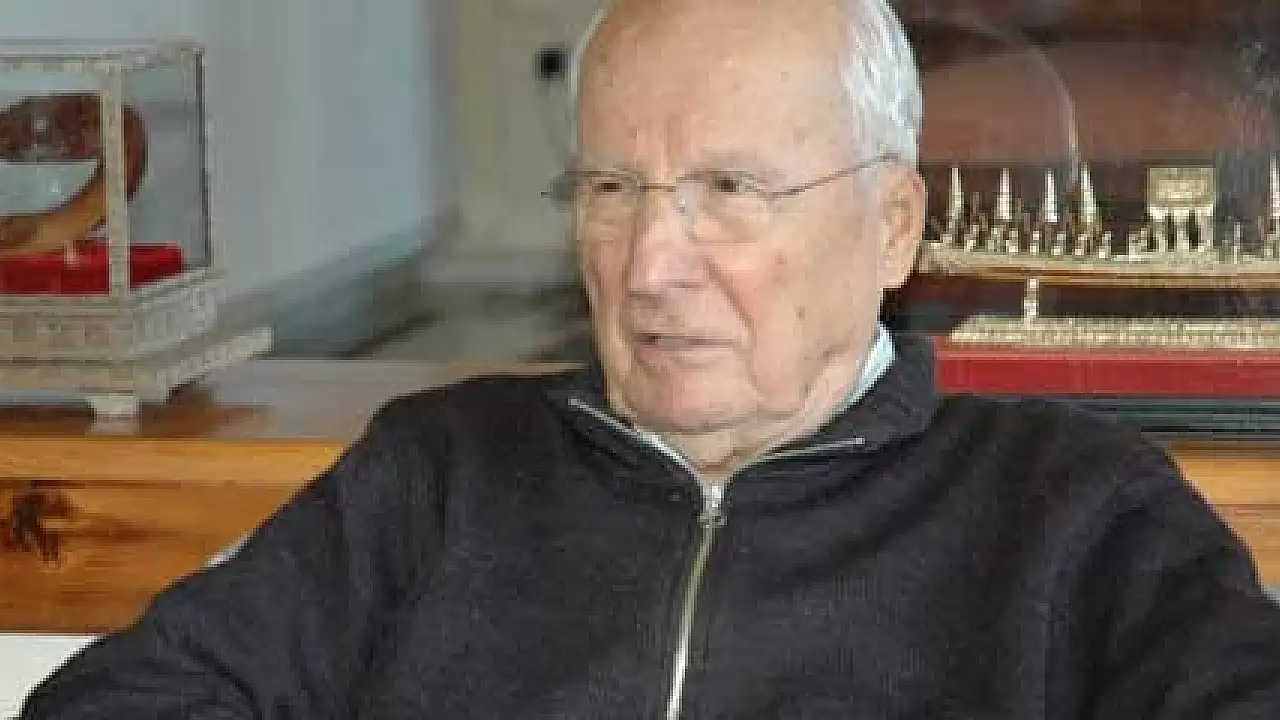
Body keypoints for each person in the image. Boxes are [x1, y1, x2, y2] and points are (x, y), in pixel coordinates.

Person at [21, 0, 1280, 717]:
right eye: (611, 188)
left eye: (729, 188)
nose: (647, 264)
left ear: (892, 225)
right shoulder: (437, 472)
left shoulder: (1070, 507)